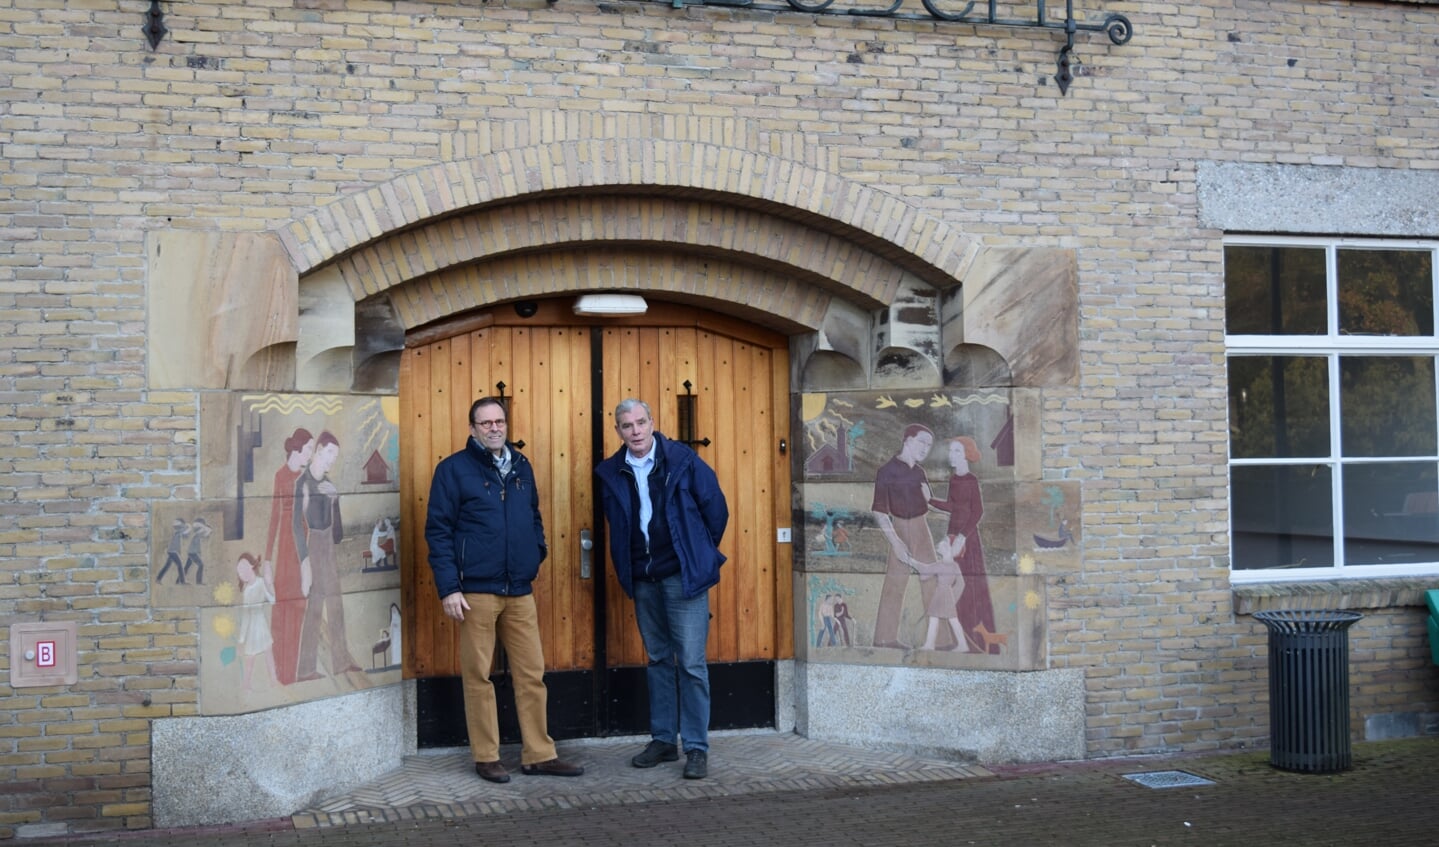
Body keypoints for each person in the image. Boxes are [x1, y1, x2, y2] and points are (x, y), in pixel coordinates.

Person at [424, 397, 584, 784]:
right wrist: (449, 588)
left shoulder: (522, 466)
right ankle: (486, 756)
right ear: (473, 428)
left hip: (519, 589)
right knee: (478, 676)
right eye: (485, 423)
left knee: (531, 673)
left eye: (499, 421)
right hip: (475, 591)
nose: (494, 428)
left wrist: (535, 552)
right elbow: (438, 531)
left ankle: (539, 754)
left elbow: (532, 516)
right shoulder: (452, 470)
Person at [595, 398, 729, 780]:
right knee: (657, 659)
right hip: (644, 578)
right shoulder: (611, 472)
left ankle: (697, 747)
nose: (635, 431)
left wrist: (696, 552)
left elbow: (715, 510)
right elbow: (618, 525)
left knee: (690, 663)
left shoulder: (683, 461)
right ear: (618, 431)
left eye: (640, 422)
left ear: (652, 423)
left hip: (681, 576)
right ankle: (664, 740)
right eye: (626, 425)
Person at [292, 431, 363, 682]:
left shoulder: (329, 485)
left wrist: (335, 500)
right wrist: (304, 562)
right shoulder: (303, 483)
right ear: (318, 450)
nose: (333, 459)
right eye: (330, 452)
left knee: (336, 604)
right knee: (314, 606)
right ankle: (305, 668)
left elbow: (338, 536)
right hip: (312, 546)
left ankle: (341, 661)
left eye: (336, 454)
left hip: (327, 547)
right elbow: (296, 526)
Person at [870, 424, 941, 650]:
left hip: (922, 528)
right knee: (895, 582)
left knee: (932, 580)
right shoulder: (886, 471)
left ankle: (941, 640)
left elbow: (930, 502)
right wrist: (896, 542)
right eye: (922, 442)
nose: (925, 449)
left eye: (929, 445)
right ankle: (884, 639)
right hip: (899, 528)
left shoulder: (920, 472)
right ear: (908, 440)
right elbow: (879, 511)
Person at [928, 435, 998, 653]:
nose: (952, 455)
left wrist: (962, 537)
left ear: (967, 454)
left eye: (956, 451)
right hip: (952, 538)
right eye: (951, 451)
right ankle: (961, 641)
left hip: (967, 540)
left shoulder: (971, 480)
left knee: (969, 586)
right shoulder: (954, 480)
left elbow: (977, 512)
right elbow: (952, 506)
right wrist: (929, 499)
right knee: (951, 588)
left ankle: (976, 642)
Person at [264, 427, 314, 685]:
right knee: (280, 612)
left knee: (297, 610)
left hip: (302, 551)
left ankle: (289, 675)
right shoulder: (280, 476)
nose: (310, 456)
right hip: (283, 552)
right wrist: (267, 561)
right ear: (297, 448)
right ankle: (279, 674)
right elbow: (274, 518)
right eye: (308, 450)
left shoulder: (307, 480)